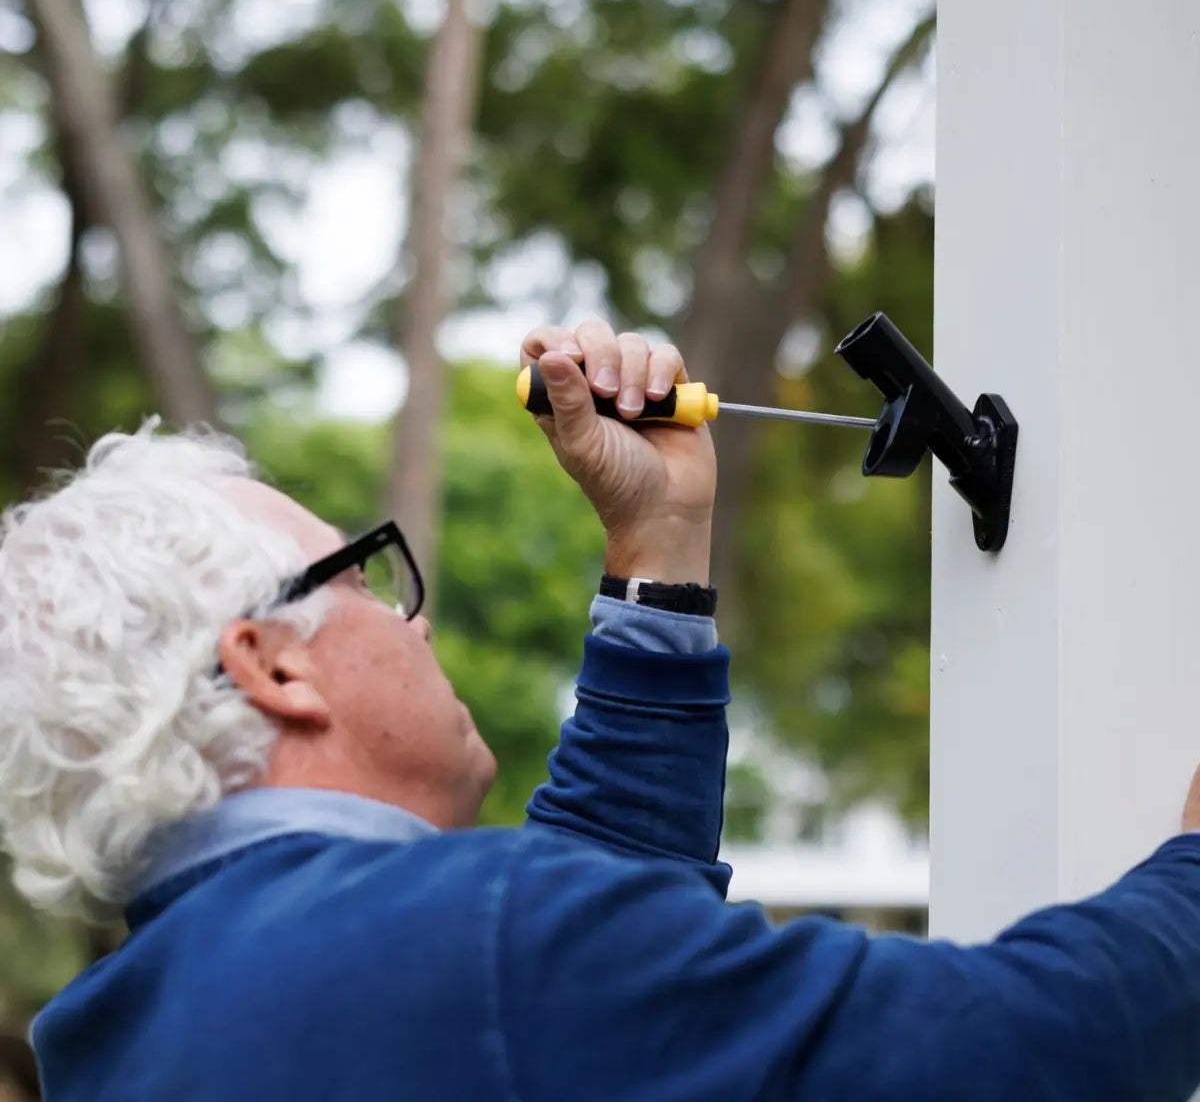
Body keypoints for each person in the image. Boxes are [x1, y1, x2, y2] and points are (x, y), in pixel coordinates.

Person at [5, 319, 1200, 1102]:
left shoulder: (121, 1031)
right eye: (363, 577)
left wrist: (658, 544)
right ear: (270, 665)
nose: (410, 623)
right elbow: (1005, 1056)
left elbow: (589, 985)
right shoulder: (468, 949)